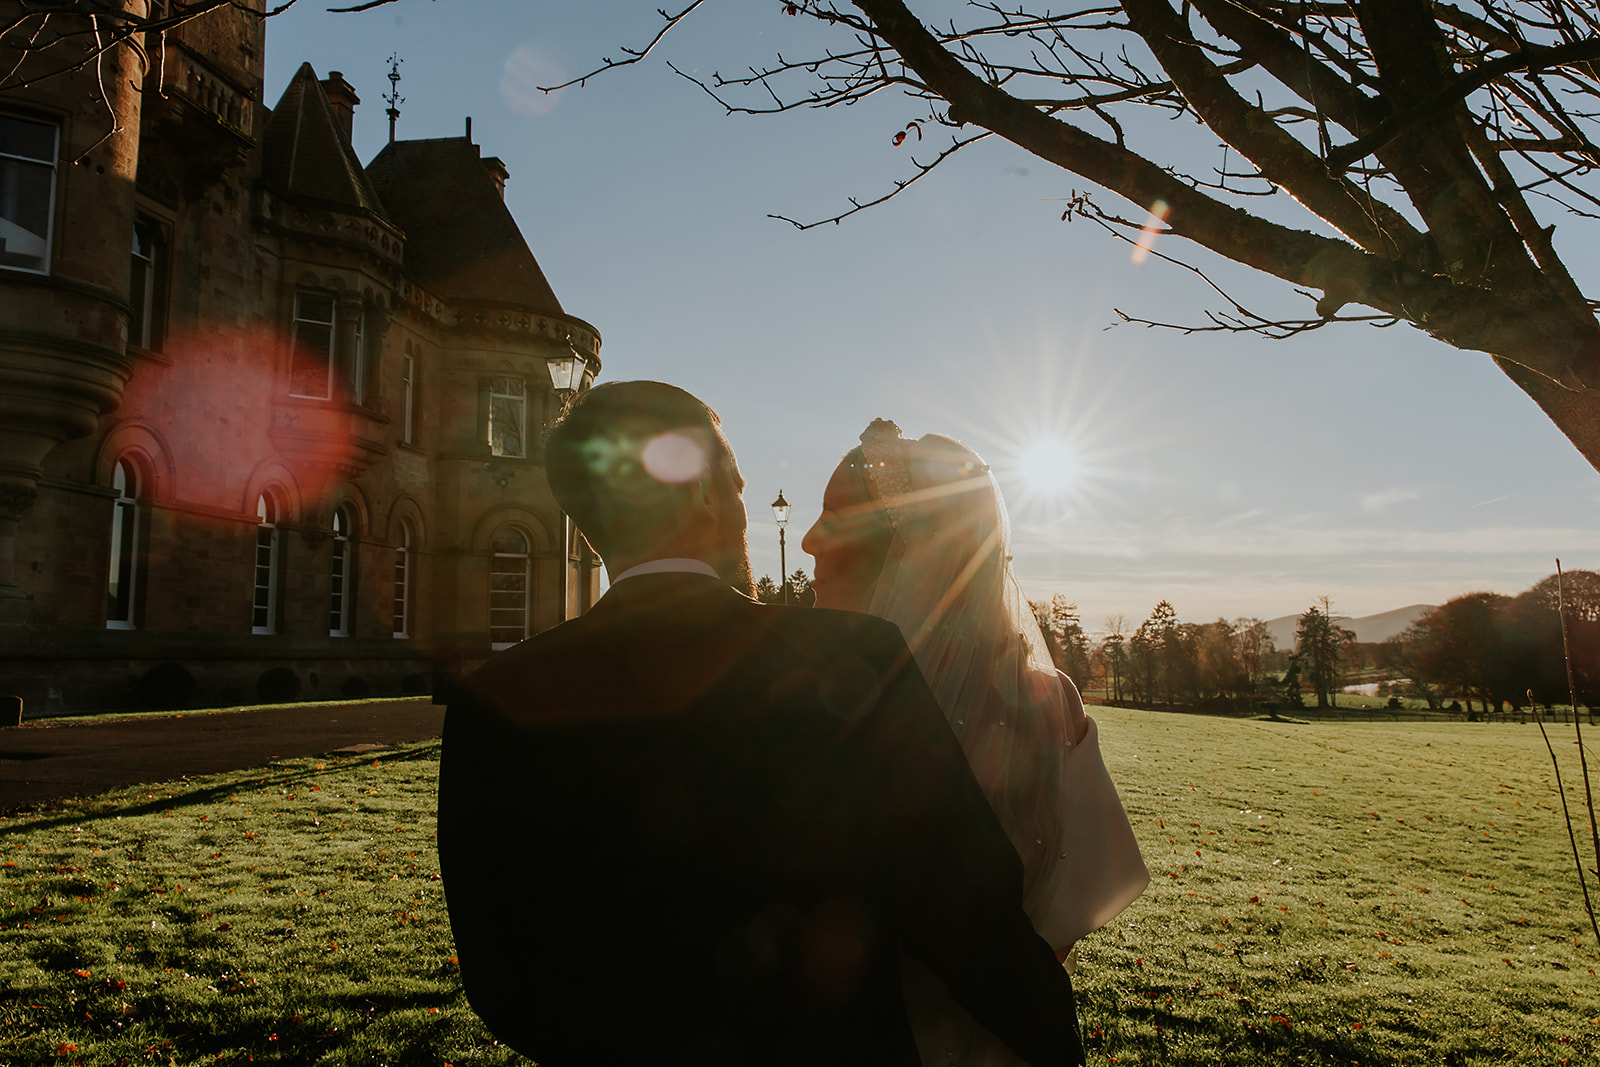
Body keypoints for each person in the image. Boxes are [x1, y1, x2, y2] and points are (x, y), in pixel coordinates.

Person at [437, 382, 1086, 1067]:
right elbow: (967, 916)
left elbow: (499, 976)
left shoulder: (494, 702)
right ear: (703, 493)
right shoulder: (855, 657)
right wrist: (1054, 1040)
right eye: (739, 484)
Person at [804, 418, 1149, 1067]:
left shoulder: (824, 713)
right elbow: (1073, 911)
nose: (808, 541)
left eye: (831, 516)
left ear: (904, 550)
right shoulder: (1052, 705)